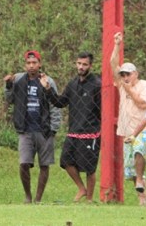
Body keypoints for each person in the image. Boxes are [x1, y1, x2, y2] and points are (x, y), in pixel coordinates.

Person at [42, 52, 101, 202]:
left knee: (89, 168)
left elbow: (102, 110)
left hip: (90, 133)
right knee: (65, 161)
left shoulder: (97, 85)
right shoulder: (72, 84)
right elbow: (60, 102)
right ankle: (81, 188)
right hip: (73, 132)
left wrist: (98, 128)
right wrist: (48, 89)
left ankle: (89, 199)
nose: (81, 67)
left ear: (90, 66)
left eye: (84, 64)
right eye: (79, 64)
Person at [4, 50, 61, 204]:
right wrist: (8, 85)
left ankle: (38, 199)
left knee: (44, 164)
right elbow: (9, 99)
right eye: (28, 63)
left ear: (39, 64)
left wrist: (54, 128)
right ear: (25, 64)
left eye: (34, 62)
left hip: (44, 129)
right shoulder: (18, 79)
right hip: (25, 129)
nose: (31, 66)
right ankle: (28, 196)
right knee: (23, 163)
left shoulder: (48, 81)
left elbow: (55, 104)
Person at [111, 32, 146, 205]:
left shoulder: (145, 85)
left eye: (128, 74)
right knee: (130, 172)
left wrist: (128, 89)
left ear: (135, 74)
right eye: (123, 75)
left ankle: (140, 182)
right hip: (128, 130)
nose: (125, 77)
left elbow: (143, 104)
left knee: (139, 148)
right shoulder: (121, 84)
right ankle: (143, 198)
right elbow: (112, 64)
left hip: (144, 128)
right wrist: (116, 45)